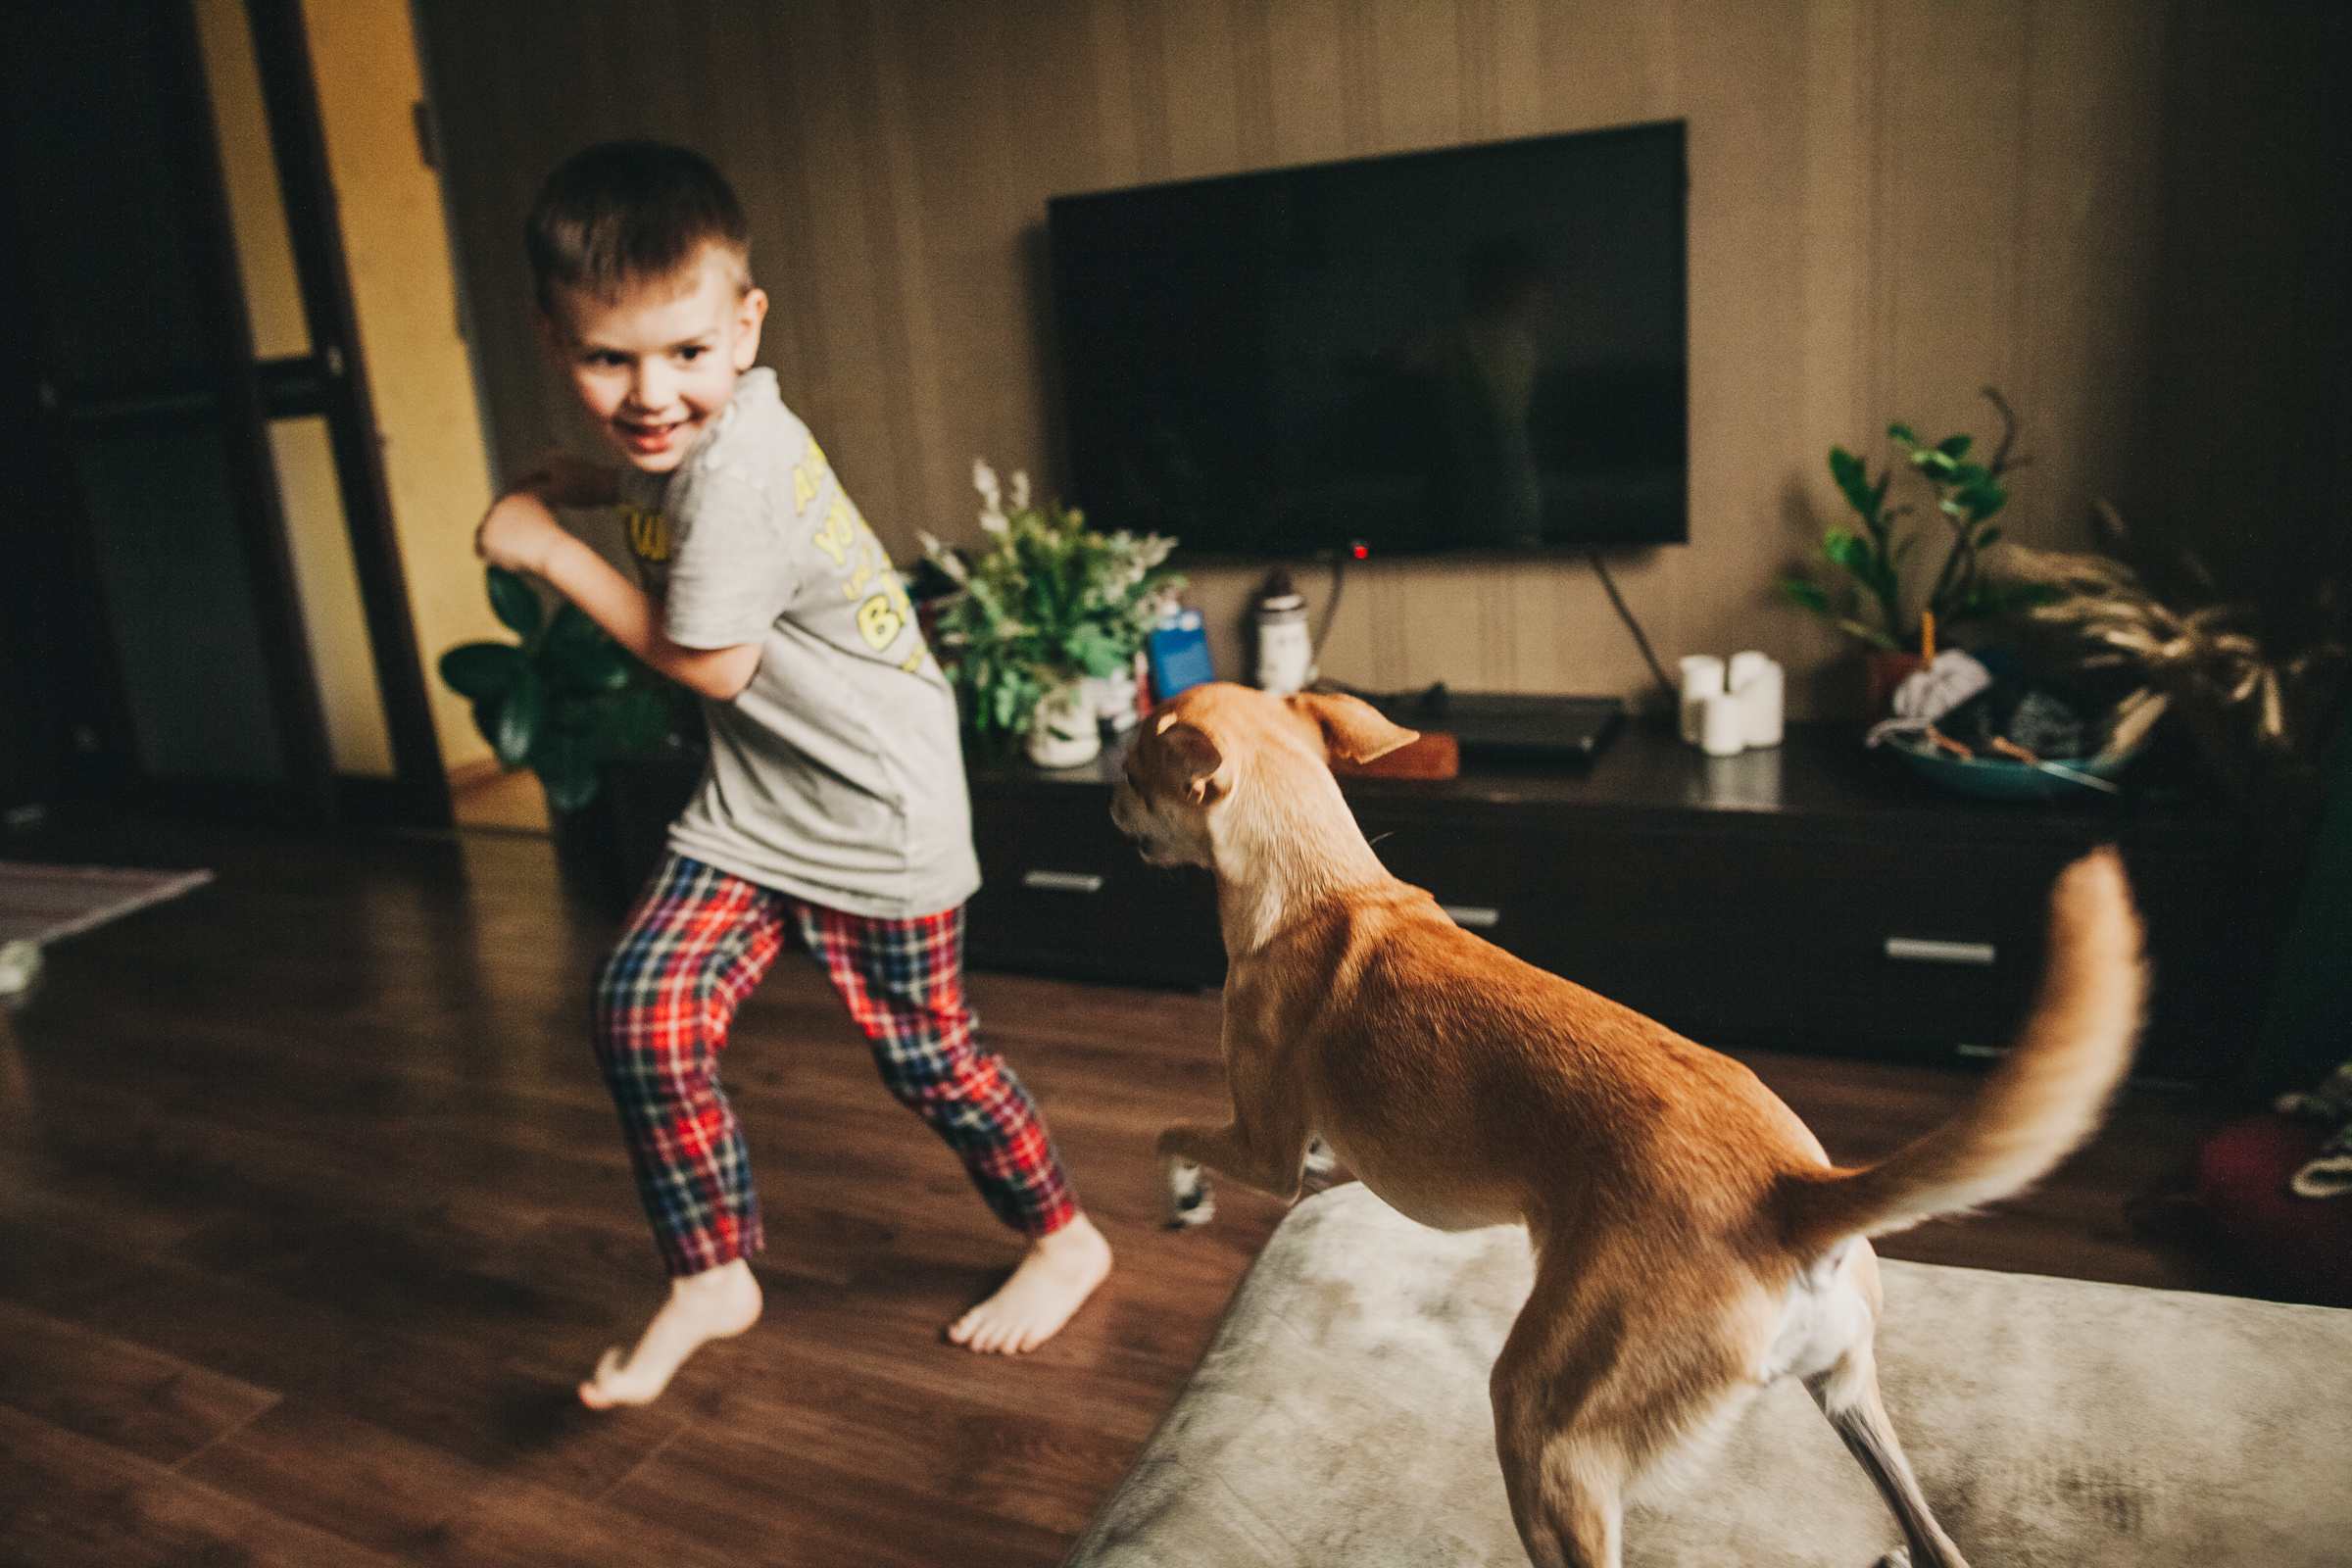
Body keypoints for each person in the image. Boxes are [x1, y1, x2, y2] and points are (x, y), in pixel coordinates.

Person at [472, 141, 1111, 1408]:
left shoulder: (741, 464)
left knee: (931, 1056)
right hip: (761, 809)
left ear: (745, 325)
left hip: (878, 808)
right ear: (556, 339)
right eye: (612, 360)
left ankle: (1066, 1239)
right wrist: (602, 487)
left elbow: (707, 663)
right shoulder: (693, 436)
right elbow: (672, 486)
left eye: (687, 355)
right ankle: (714, 1272)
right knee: (643, 1010)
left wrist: (548, 548)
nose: (654, 395)